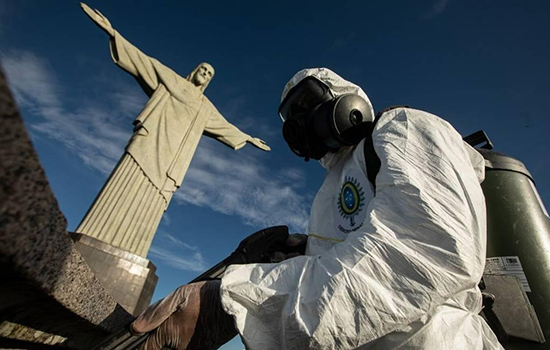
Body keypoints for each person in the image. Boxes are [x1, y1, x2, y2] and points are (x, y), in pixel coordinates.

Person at [131, 68, 503, 349]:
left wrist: (233, 299)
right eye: (289, 117)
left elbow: (424, 253)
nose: (297, 124)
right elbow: (346, 269)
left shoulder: (403, 127)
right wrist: (296, 257)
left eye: (306, 105)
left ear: (350, 104)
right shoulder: (332, 186)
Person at [76, 4, 270, 258]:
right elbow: (142, 60)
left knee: (150, 202)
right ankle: (94, 235)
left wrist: (248, 138)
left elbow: (225, 126)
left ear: (209, 81)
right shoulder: (172, 79)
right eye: (203, 68)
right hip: (148, 147)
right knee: (125, 185)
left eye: (209, 73)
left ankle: (131, 252)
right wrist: (113, 33)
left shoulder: (204, 107)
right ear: (195, 70)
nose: (205, 73)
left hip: (169, 165)